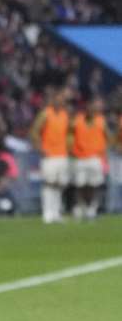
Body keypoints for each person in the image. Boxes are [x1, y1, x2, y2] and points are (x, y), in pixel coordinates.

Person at [30, 88, 72, 224]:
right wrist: (39, 147)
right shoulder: (46, 114)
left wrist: (69, 146)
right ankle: (47, 213)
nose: (60, 101)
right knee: (49, 183)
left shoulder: (65, 115)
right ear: (53, 100)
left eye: (62, 99)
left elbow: (69, 133)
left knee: (60, 184)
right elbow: (35, 131)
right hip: (49, 154)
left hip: (62, 154)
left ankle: (56, 212)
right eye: (58, 98)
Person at [71, 97, 109, 220]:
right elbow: (69, 134)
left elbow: (108, 136)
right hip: (80, 157)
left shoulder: (101, 120)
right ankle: (81, 206)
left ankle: (92, 208)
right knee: (80, 184)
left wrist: (105, 153)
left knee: (94, 184)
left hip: (95, 157)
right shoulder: (77, 120)